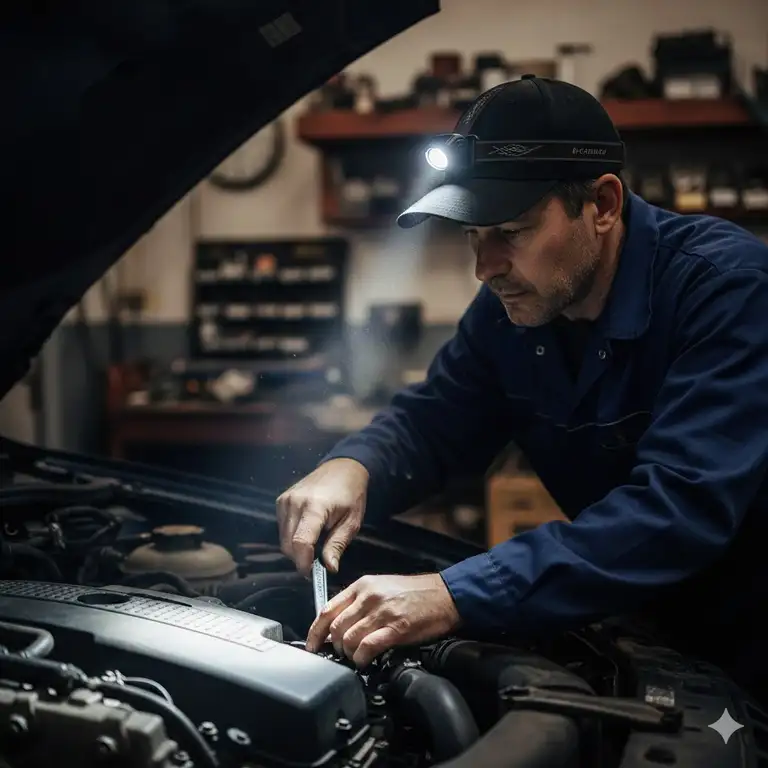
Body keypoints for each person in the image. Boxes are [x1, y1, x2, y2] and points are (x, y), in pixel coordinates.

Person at [276, 76, 768, 700]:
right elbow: (436, 420)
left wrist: (455, 593)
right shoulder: (511, 309)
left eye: (510, 231)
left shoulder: (726, 289)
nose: (486, 269)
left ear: (604, 204)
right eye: (473, 238)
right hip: (644, 629)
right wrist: (354, 464)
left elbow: (677, 509)